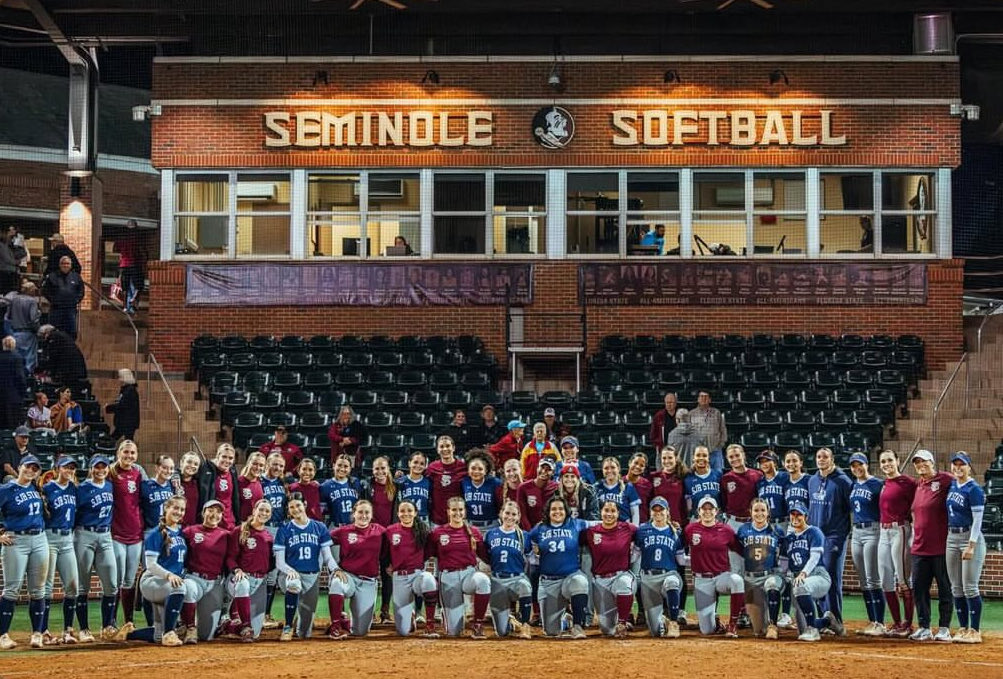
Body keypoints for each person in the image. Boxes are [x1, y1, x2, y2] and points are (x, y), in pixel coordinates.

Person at [122, 495, 196, 646]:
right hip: (152, 580)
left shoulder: (182, 532)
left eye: (182, 509)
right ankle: (169, 634)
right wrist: (169, 575)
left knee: (157, 634)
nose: (179, 512)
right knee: (180, 586)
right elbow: (150, 565)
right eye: (175, 508)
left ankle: (127, 634)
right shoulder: (156, 533)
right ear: (166, 508)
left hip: (167, 583)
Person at [273, 492, 339, 641]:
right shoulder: (284, 529)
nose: (295, 509)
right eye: (291, 507)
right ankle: (288, 626)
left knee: (304, 633)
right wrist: (291, 571)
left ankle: (299, 623)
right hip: (290, 575)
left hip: (312, 576)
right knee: (294, 584)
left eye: (298, 505)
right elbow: (279, 562)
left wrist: (335, 569)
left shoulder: (319, 527)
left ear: (305, 505)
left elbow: (327, 556)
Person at [0, 455, 50, 649]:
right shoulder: (6, 489)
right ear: (19, 467)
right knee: (12, 589)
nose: (31, 471)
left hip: (39, 539)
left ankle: (37, 634)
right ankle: (3, 635)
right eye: (28, 467)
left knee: (38, 589)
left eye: (35, 468)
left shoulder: (36, 488)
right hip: (16, 540)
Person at [426, 496, 492, 639]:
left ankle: (478, 624)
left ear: (465, 511)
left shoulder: (474, 532)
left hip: (469, 574)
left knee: (483, 581)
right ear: (448, 511)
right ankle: (447, 616)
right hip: (448, 577)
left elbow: (485, 556)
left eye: (461, 509)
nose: (458, 513)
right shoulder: (438, 533)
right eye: (454, 510)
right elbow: (427, 554)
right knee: (454, 632)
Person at [528, 497, 592, 639]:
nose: (558, 512)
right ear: (548, 512)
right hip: (548, 582)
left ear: (566, 511)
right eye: (554, 509)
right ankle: (565, 621)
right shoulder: (539, 528)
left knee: (580, 582)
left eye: (561, 509)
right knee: (551, 631)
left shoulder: (574, 524)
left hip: (570, 577)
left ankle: (577, 626)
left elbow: (598, 524)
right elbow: (527, 541)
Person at [73, 454, 121, 643]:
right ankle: (84, 629)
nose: (101, 470)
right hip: (84, 534)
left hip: (105, 535)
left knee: (111, 583)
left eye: (104, 467)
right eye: (97, 467)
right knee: (83, 585)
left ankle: (107, 626)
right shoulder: (82, 489)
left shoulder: (110, 485)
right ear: (91, 468)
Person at [682, 496, 745, 638]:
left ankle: (733, 624)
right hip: (701, 579)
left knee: (737, 580)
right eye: (704, 509)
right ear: (698, 511)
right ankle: (714, 622)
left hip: (721, 576)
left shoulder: (726, 530)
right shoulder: (690, 529)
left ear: (716, 511)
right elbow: (679, 549)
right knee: (707, 630)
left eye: (711, 509)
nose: (707, 512)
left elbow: (740, 550)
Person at [908, 449, 953, 642]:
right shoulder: (918, 485)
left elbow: (965, 486)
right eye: (917, 463)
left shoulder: (945, 480)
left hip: (941, 548)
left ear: (932, 462)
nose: (921, 465)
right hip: (919, 547)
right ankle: (924, 627)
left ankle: (944, 628)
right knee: (919, 589)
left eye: (924, 462)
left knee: (945, 589)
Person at [327, 499, 387, 639]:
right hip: (347, 576)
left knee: (360, 631)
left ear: (372, 515)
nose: (363, 515)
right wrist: (334, 567)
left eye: (367, 512)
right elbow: (322, 542)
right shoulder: (343, 531)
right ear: (354, 513)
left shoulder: (380, 531)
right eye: (360, 512)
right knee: (336, 583)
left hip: (368, 581)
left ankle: (345, 621)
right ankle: (335, 626)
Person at [787, 501, 845, 642]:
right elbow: (784, 562)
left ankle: (813, 631)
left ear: (806, 516)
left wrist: (803, 573)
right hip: (799, 581)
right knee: (802, 628)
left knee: (800, 586)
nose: (795, 517)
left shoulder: (814, 532)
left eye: (799, 514)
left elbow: (815, 557)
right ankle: (827, 621)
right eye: (793, 514)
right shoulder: (789, 538)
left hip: (818, 576)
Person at [806, 446, 852, 627]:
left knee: (831, 577)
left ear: (832, 459)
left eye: (825, 457)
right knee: (816, 576)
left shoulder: (843, 482)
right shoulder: (812, 481)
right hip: (816, 536)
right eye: (818, 456)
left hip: (835, 536)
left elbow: (851, 508)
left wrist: (844, 534)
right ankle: (823, 619)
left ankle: (836, 620)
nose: (821, 459)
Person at [945, 451, 986, 644]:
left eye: (962, 464)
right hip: (951, 537)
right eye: (955, 464)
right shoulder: (952, 485)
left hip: (969, 537)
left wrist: (971, 545)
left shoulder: (974, 489)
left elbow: (978, 520)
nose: (958, 467)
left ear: (969, 467)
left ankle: (975, 630)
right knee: (956, 587)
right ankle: (962, 628)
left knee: (970, 587)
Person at [40, 455, 80, 646]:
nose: (69, 471)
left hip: (68, 539)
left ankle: (68, 630)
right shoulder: (47, 488)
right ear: (57, 469)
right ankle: (43, 631)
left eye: (72, 468)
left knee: (72, 586)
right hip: (50, 537)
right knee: (46, 587)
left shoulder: (74, 489)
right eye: (66, 468)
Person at [384, 500, 439, 637]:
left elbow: (428, 552)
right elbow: (384, 552)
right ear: (398, 513)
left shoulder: (423, 530)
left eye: (409, 510)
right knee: (402, 631)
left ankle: (430, 624)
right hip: (399, 577)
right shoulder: (390, 531)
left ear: (415, 513)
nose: (406, 513)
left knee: (429, 581)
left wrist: (418, 562)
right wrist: (388, 565)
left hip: (417, 575)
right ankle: (410, 616)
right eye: (402, 511)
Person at [584, 500, 638, 638]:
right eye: (606, 510)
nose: (609, 514)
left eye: (613, 511)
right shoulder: (591, 532)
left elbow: (646, 532)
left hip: (621, 575)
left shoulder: (627, 528)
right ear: (601, 512)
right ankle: (617, 621)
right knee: (606, 629)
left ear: (618, 513)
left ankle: (622, 622)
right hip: (600, 581)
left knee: (624, 585)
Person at [877, 448, 916, 638]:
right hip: (883, 532)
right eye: (883, 461)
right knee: (885, 579)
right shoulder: (885, 483)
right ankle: (896, 622)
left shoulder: (908, 482)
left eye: (890, 460)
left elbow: (918, 505)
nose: (887, 464)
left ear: (898, 460)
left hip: (900, 529)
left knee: (902, 578)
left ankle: (908, 624)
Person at [649, 445, 690, 626]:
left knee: (679, 570)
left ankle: (679, 609)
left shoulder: (684, 478)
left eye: (670, 458)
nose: (666, 461)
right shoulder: (654, 478)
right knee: (662, 567)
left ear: (676, 459)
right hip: (659, 529)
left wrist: (683, 525)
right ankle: (664, 609)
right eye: (664, 458)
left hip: (678, 529)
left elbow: (687, 505)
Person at [634, 496, 686, 638]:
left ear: (667, 511)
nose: (658, 512)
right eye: (655, 509)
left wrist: (701, 559)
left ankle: (674, 623)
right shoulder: (642, 530)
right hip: (648, 579)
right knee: (655, 631)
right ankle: (661, 620)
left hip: (668, 574)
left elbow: (681, 561)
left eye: (661, 509)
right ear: (650, 512)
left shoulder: (675, 532)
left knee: (672, 583)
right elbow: (635, 556)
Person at [481, 501, 533, 639]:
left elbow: (530, 557)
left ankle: (525, 625)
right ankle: (510, 621)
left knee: (525, 587)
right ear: (501, 514)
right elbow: (487, 557)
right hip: (497, 580)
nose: (510, 517)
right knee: (502, 632)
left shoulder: (524, 536)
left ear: (518, 517)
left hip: (517, 578)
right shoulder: (490, 534)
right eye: (507, 513)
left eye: (513, 514)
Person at [180, 499, 230, 643]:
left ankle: (220, 624)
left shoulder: (226, 535)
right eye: (210, 510)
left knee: (206, 636)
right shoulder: (190, 531)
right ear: (203, 512)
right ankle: (189, 627)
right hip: (194, 578)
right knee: (187, 587)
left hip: (215, 583)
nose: (214, 514)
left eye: (218, 511)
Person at [847, 452, 886, 636]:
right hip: (857, 532)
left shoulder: (877, 484)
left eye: (860, 465)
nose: (857, 469)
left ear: (866, 464)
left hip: (873, 530)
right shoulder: (854, 485)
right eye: (854, 466)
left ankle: (880, 622)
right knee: (863, 580)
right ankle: (872, 621)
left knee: (873, 578)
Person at [226, 499, 274, 641]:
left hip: (260, 581)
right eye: (261, 509)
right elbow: (230, 557)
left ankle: (229, 626)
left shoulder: (269, 536)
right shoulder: (239, 531)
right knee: (243, 584)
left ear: (270, 515)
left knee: (257, 632)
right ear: (254, 511)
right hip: (240, 578)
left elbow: (270, 563)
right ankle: (245, 625)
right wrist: (237, 570)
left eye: (267, 511)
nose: (263, 513)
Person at [736, 498, 785, 639]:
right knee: (758, 630)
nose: (759, 513)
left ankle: (773, 625)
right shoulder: (743, 529)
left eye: (763, 510)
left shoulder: (776, 530)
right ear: (750, 512)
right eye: (756, 510)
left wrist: (782, 571)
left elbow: (784, 550)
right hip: (751, 578)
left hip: (769, 575)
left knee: (773, 584)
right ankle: (763, 623)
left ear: (768, 512)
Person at [109, 440, 146, 627]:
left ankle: (129, 622)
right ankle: (110, 622)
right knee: (117, 578)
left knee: (130, 580)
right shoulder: (111, 473)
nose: (129, 456)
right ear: (118, 453)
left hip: (135, 534)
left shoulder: (139, 474)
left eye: (133, 453)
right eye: (126, 452)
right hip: (116, 534)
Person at [720, 443, 764, 577]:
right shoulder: (725, 479)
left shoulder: (757, 475)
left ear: (743, 455)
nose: (734, 459)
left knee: (754, 564)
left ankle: (754, 597)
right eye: (731, 457)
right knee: (735, 565)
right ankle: (738, 597)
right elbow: (723, 502)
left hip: (753, 524)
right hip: (733, 523)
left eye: (737, 455)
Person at [363, 455, 395, 625]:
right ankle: (368, 611)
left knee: (387, 573)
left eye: (383, 468)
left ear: (389, 468)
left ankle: (385, 611)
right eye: (377, 468)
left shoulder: (396, 486)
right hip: (372, 535)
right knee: (369, 573)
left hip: (389, 536)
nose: (380, 471)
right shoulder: (367, 486)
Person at [259, 453, 287, 629]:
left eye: (280, 466)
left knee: (273, 575)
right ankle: (256, 613)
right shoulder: (259, 482)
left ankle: (266, 614)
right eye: (274, 464)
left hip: (279, 529)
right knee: (262, 571)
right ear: (267, 464)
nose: (277, 468)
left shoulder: (283, 484)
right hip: (264, 528)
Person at [196, 442, 241, 530]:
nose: (227, 460)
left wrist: (238, 519)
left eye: (230, 458)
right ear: (218, 456)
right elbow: (186, 472)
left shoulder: (232, 472)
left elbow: (235, 498)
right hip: (212, 522)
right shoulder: (206, 469)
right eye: (224, 457)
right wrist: (176, 474)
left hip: (230, 523)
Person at [425, 435, 466, 527]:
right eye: (441, 446)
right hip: (437, 519)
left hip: (458, 518)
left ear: (453, 448)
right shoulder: (432, 467)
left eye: (448, 446)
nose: (445, 449)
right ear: (437, 450)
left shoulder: (463, 467)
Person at [41, 256, 84, 340]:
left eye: (67, 263)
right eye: (63, 263)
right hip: (56, 309)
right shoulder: (52, 276)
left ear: (71, 265)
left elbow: (81, 291)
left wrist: (76, 300)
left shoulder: (76, 277)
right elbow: (45, 290)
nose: (65, 265)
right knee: (53, 331)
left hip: (70, 309)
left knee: (71, 332)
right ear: (60, 265)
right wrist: (53, 300)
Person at [37, 325, 89, 395]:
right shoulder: (62, 336)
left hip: (71, 372)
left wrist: (50, 372)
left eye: (42, 337)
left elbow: (53, 357)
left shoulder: (54, 338)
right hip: (77, 370)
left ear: (46, 333)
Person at [5, 281, 40, 375]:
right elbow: (33, 319)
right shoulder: (32, 301)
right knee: (28, 359)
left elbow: (8, 316)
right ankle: (27, 379)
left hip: (14, 332)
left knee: (17, 357)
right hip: (27, 333)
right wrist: (37, 330)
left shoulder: (14, 299)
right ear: (31, 290)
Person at [320, 454, 364, 529]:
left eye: (346, 466)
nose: (342, 469)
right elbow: (323, 513)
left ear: (350, 468)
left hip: (354, 526)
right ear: (334, 466)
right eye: (339, 465)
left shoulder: (356, 483)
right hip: (335, 527)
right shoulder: (325, 486)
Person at [113, 219, 147, 315]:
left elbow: (115, 249)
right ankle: (133, 300)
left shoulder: (122, 237)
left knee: (125, 287)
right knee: (138, 286)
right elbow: (142, 251)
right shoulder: (138, 236)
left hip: (124, 265)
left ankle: (125, 306)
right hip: (135, 264)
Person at [461, 452, 502, 530]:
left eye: (480, 469)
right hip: (469, 526)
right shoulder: (464, 482)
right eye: (473, 468)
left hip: (491, 526)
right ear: (468, 470)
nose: (476, 472)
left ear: (486, 471)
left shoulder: (495, 483)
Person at [593, 457, 641, 524]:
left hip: (623, 527)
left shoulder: (627, 486)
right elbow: (593, 512)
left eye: (613, 467)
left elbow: (635, 513)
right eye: (606, 468)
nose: (609, 471)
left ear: (618, 469)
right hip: (604, 526)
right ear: (602, 470)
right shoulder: (596, 487)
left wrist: (635, 529)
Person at [689, 392, 727, 474]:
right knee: (698, 474)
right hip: (698, 453)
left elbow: (723, 429)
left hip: (715, 450)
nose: (704, 398)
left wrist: (721, 444)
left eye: (706, 397)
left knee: (718, 474)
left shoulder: (717, 413)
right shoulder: (691, 414)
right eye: (701, 396)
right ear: (698, 399)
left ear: (710, 400)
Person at [684, 445, 721, 518]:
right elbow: (687, 505)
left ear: (708, 458)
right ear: (693, 458)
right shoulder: (687, 479)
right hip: (696, 519)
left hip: (716, 519)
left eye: (704, 455)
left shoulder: (718, 475)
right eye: (698, 455)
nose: (701, 458)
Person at [756, 450, 789, 526]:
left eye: (767, 460)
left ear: (774, 462)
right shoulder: (759, 482)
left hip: (784, 522)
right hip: (766, 523)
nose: (764, 464)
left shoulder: (785, 477)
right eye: (761, 462)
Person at [106, 368, 140, 441]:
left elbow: (122, 405)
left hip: (127, 422)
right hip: (124, 421)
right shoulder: (126, 390)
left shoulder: (130, 391)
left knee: (126, 440)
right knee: (118, 438)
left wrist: (109, 407)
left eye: (120, 377)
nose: (119, 380)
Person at [328, 406, 366, 471]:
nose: (346, 416)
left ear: (351, 415)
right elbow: (331, 435)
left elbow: (361, 437)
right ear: (340, 415)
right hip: (337, 454)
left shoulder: (356, 425)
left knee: (351, 472)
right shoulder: (335, 425)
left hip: (352, 453)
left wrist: (350, 441)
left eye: (348, 414)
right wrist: (342, 439)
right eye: (343, 414)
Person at [397, 451, 431, 521]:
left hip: (423, 519)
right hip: (405, 518)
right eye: (415, 462)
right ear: (409, 463)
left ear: (425, 466)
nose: (418, 466)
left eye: (422, 464)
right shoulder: (401, 481)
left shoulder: (428, 482)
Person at [0, 337, 26, 430]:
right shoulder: (17, 358)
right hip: (14, 398)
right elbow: (20, 378)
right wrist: (22, 393)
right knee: (13, 427)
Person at [624, 452, 653, 523]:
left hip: (642, 524)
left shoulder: (647, 485)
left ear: (644, 469)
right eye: (635, 463)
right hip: (624, 525)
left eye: (641, 465)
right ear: (629, 463)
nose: (637, 467)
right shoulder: (620, 483)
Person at [237, 452, 266, 522]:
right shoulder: (238, 482)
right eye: (255, 464)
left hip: (256, 524)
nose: (258, 468)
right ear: (248, 463)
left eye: (261, 465)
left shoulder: (261, 483)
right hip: (241, 525)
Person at [649, 393, 678, 458]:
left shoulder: (680, 415)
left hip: (678, 450)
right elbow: (653, 435)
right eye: (667, 402)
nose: (669, 405)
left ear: (675, 403)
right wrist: (659, 445)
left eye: (671, 402)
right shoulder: (658, 416)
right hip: (662, 450)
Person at [177, 452, 202, 527]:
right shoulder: (173, 482)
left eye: (196, 464)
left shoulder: (198, 484)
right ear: (182, 462)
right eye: (189, 462)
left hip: (192, 528)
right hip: (176, 527)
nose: (192, 466)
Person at [0, 227, 19, 296]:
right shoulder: (2, 245)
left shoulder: (8, 246)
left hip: (9, 271)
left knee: (9, 292)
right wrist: (16, 262)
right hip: (5, 271)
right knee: (6, 292)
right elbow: (7, 259)